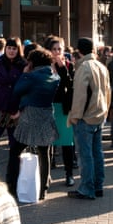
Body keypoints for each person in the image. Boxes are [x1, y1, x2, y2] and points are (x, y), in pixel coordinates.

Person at [10, 47, 60, 200]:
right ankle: (43, 189)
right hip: (46, 115)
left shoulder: (31, 77)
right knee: (44, 153)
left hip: (30, 116)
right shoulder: (55, 77)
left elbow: (17, 90)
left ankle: (12, 186)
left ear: (32, 62)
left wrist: (25, 74)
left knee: (15, 151)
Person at [67, 37, 111, 200]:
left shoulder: (84, 67)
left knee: (85, 155)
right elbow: (108, 92)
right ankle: (98, 185)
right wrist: (105, 111)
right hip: (99, 114)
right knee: (97, 152)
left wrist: (75, 116)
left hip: (86, 117)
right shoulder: (101, 66)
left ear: (79, 50)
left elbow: (79, 95)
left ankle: (87, 188)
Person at [46, 36, 76, 186]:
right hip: (48, 107)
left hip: (63, 108)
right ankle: (47, 173)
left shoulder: (69, 65)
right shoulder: (44, 65)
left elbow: (70, 85)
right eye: (54, 49)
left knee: (66, 142)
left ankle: (69, 173)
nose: (57, 52)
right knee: (49, 142)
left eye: (60, 49)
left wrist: (62, 68)